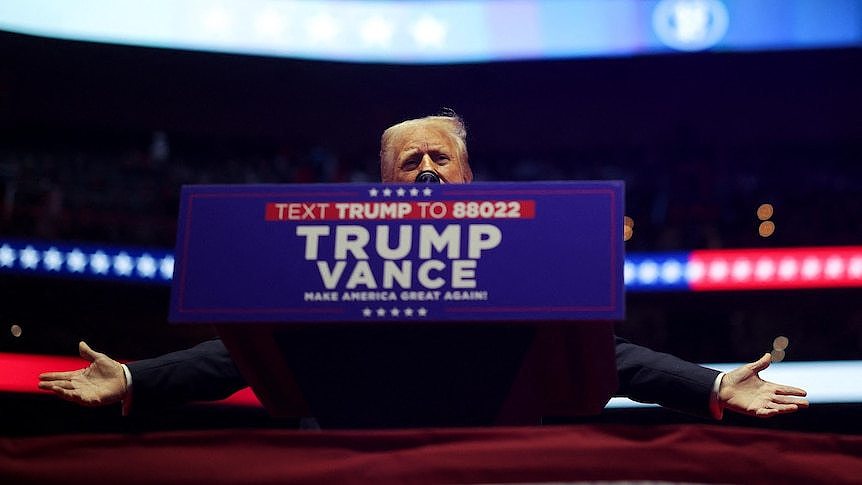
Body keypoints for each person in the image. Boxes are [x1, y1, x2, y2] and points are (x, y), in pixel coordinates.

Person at [39, 112, 809, 420]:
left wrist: (708, 384)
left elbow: (595, 347)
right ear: (383, 182)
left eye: (442, 155)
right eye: (411, 159)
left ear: (468, 175)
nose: (427, 166)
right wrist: (138, 378)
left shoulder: (521, 248)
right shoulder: (336, 247)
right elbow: (250, 347)